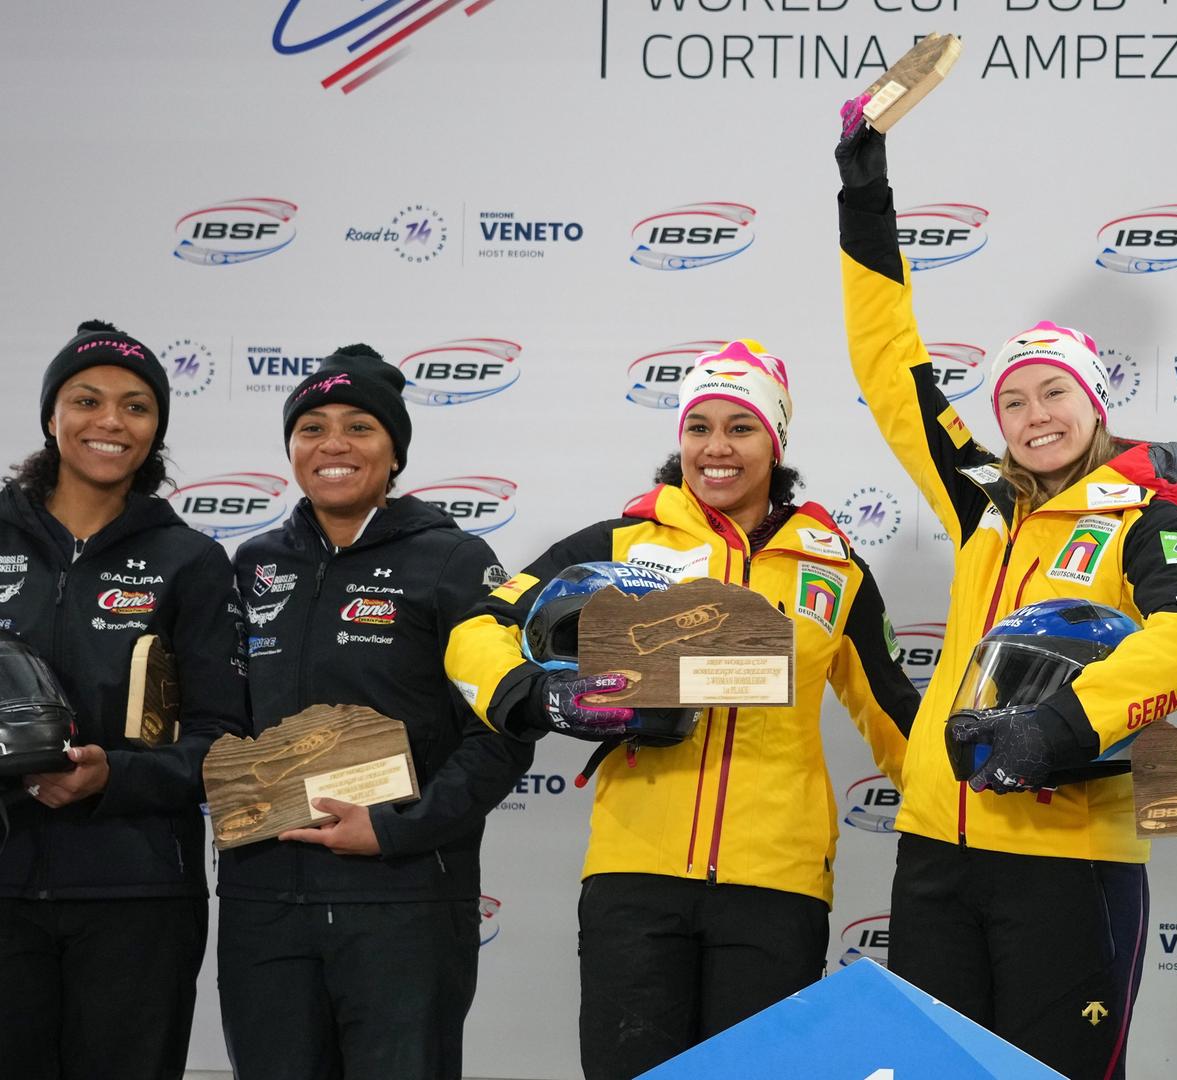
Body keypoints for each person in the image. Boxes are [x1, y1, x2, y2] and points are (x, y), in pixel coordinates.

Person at [836, 114, 1177, 1079]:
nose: (1033, 416)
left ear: (1094, 404)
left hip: (1070, 862)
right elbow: (892, 373)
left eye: (1055, 395)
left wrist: (1058, 726)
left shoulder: (1147, 510)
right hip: (938, 851)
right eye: (1014, 401)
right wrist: (863, 200)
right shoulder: (981, 503)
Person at [443, 340, 918, 1080]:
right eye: (699, 427)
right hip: (636, 876)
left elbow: (895, 721)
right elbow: (479, 627)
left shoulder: (834, 566)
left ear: (776, 439)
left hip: (776, 884)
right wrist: (537, 695)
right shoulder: (618, 543)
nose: (716, 448)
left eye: (741, 426)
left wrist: (973, 810)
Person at [214, 346, 532, 1079]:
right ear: (291, 448)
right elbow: (222, 720)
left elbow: (503, 735)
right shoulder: (253, 563)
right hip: (265, 899)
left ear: (395, 453)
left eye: (359, 427)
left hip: (404, 900)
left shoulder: (452, 562)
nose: (333, 444)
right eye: (312, 426)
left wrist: (395, 830)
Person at [0, 320, 248, 1080]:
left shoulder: (192, 562)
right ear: (52, 416)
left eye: (136, 407)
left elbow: (225, 742)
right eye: (86, 399)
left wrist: (116, 776)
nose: (109, 421)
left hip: (137, 893)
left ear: (156, 430)